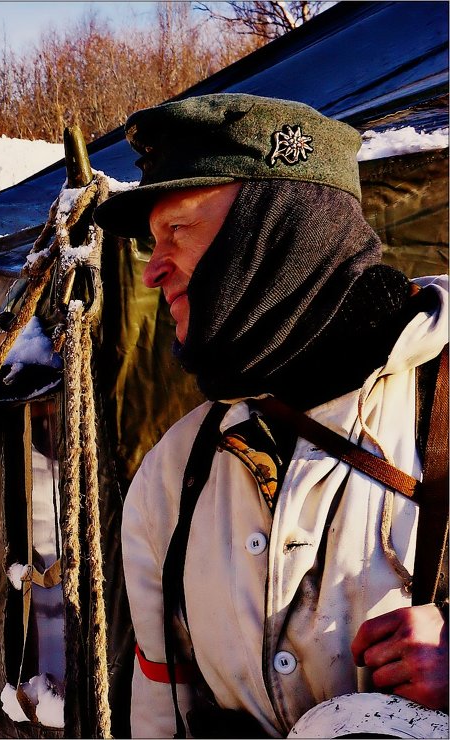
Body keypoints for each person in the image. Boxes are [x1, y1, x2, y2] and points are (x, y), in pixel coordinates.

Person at [92, 93, 448, 737]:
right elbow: (161, 712)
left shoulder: (443, 403)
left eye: (179, 230)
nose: (153, 270)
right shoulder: (170, 477)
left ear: (276, 228)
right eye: (151, 242)